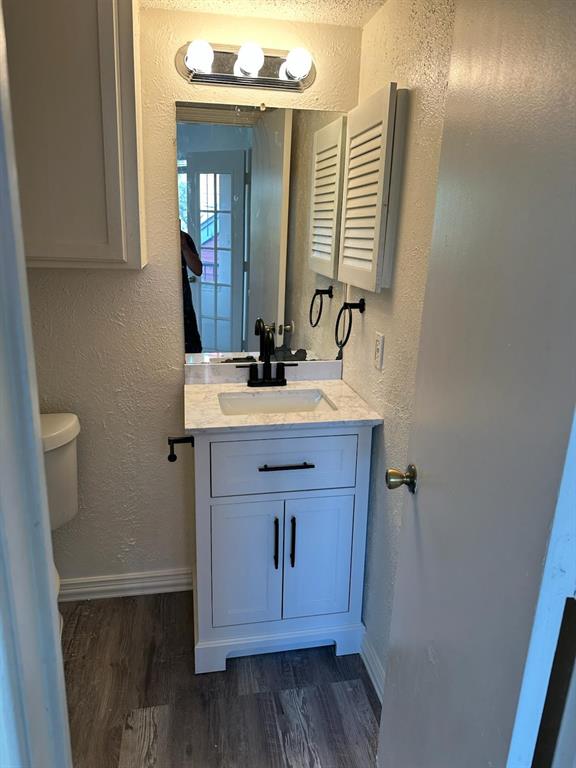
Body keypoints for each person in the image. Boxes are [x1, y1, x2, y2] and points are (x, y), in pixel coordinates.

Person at [180, 228, 203, 353]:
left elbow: (198, 270)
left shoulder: (185, 238)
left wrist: (184, 246)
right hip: (163, 306)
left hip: (185, 307)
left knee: (193, 349)